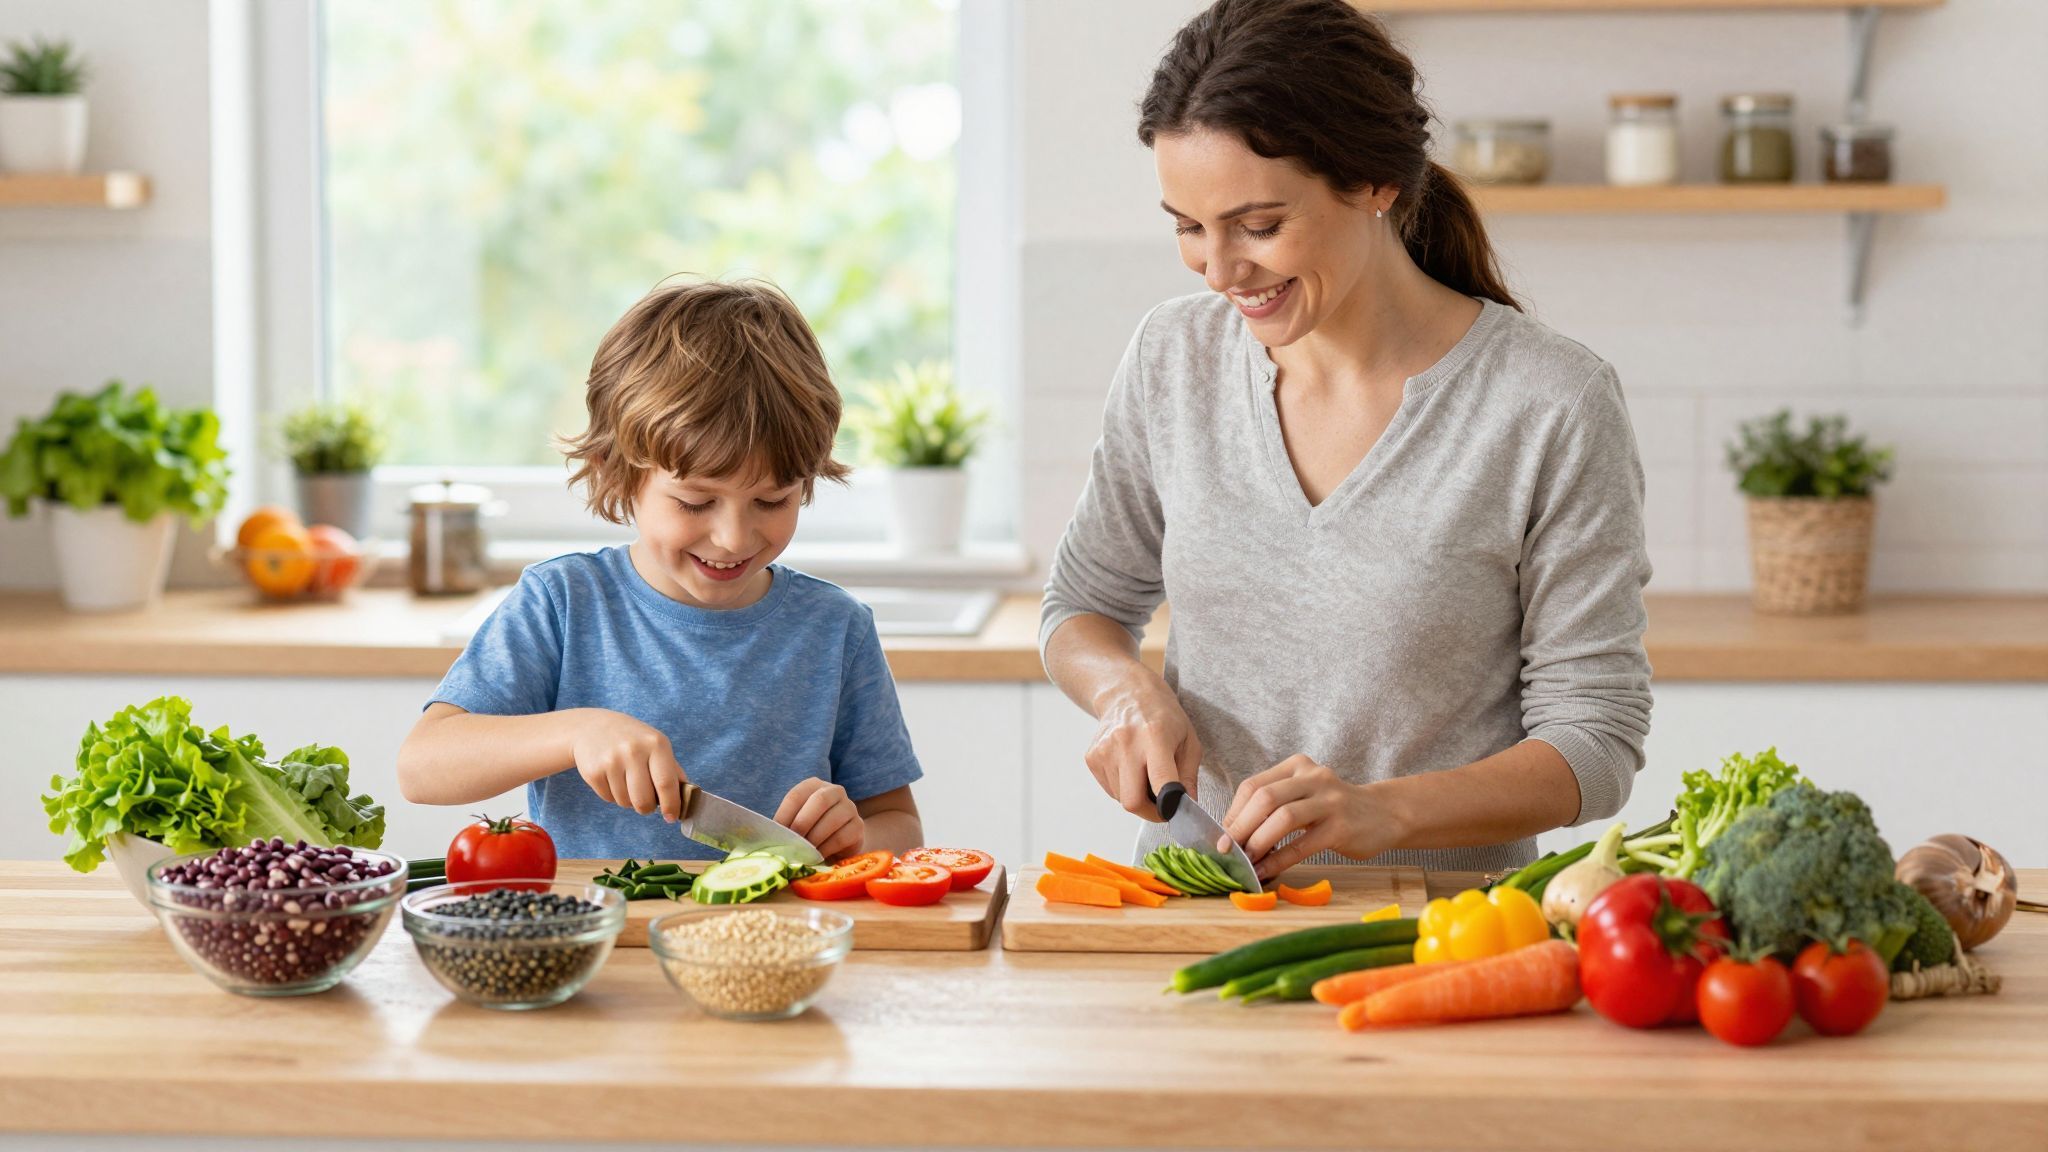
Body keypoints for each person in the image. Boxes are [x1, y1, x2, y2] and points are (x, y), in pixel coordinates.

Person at [1040, 0, 1653, 881]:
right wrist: (1124, 692)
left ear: (1373, 183)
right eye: (1186, 225)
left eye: (1258, 225)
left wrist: (1382, 810)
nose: (1219, 270)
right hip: (1197, 913)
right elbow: (1080, 610)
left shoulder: (1548, 403)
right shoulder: (1174, 357)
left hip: (1449, 936)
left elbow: (1594, 742)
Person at [398, 279, 924, 861]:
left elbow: (897, 823)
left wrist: (853, 838)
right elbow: (423, 767)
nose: (733, 537)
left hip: (780, 943)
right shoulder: (563, 603)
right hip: (603, 939)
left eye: (772, 501)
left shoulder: (834, 627)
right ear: (616, 474)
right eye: (696, 502)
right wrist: (577, 733)